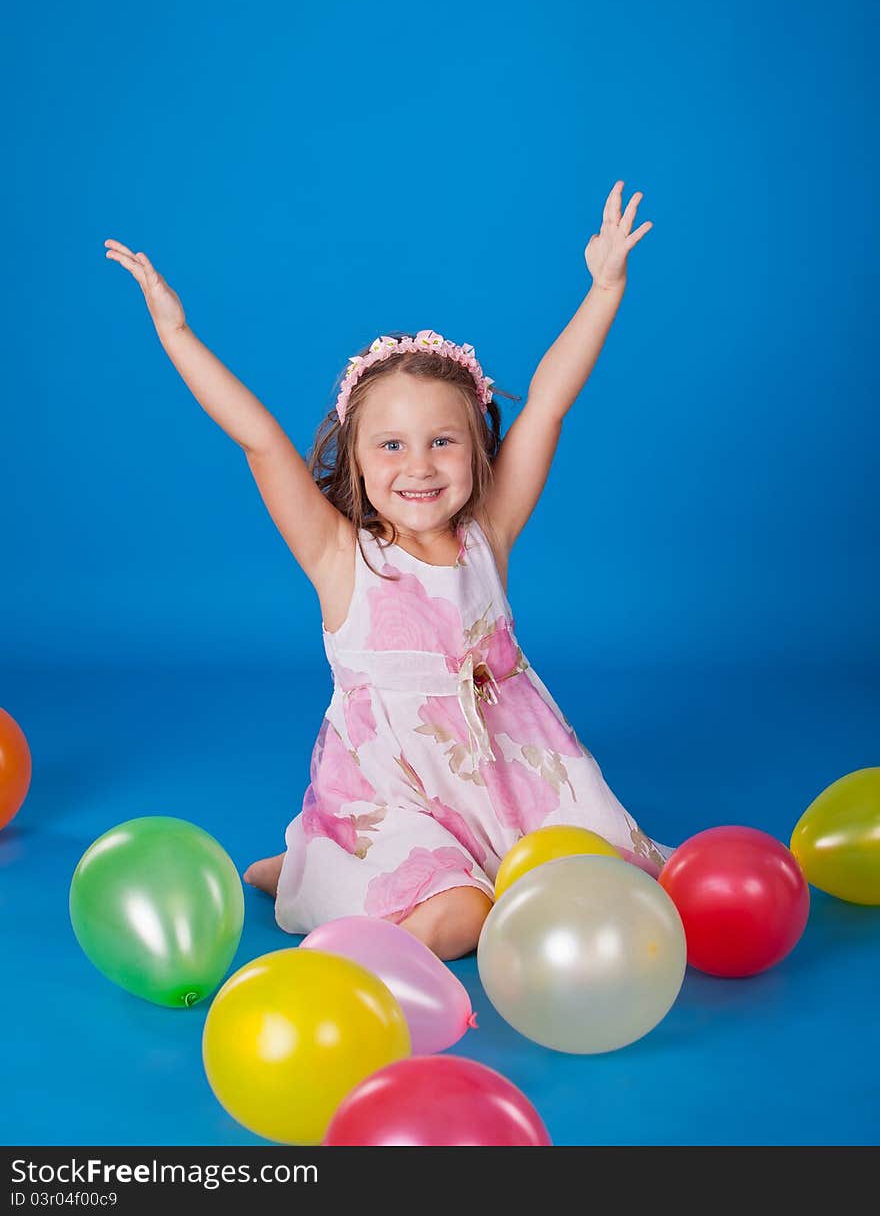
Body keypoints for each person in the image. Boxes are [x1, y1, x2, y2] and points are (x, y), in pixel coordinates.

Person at [104, 178, 671, 962]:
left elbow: (545, 404)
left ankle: (301, 865)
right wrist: (177, 335)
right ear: (357, 460)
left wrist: (604, 288)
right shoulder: (343, 557)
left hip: (512, 772)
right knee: (464, 917)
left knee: (628, 884)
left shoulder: (488, 535)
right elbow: (263, 443)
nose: (420, 467)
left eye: (443, 441)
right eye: (391, 446)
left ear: (477, 451)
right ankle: (320, 885)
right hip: (389, 792)